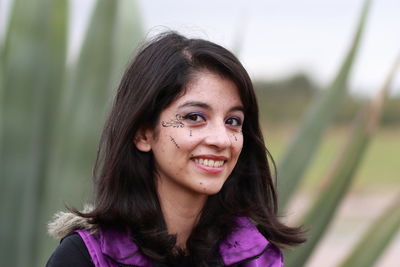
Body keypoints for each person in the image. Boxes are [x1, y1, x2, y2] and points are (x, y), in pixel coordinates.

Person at [46, 31, 304, 267]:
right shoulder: (84, 258)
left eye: (233, 121)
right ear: (143, 133)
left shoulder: (257, 257)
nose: (222, 140)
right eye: (194, 117)